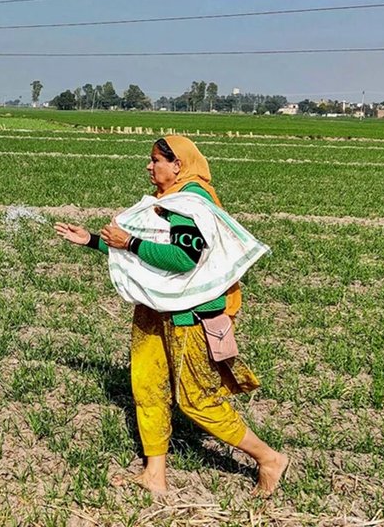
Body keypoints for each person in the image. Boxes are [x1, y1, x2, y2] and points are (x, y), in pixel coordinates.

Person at [54, 135, 288, 497]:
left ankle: (269, 458)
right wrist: (91, 240)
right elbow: (146, 252)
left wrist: (127, 242)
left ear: (178, 164)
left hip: (189, 316)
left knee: (196, 398)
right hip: (156, 309)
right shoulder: (169, 201)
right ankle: (154, 475)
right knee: (146, 386)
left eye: (155, 161)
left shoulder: (189, 204)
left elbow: (183, 259)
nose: (149, 166)